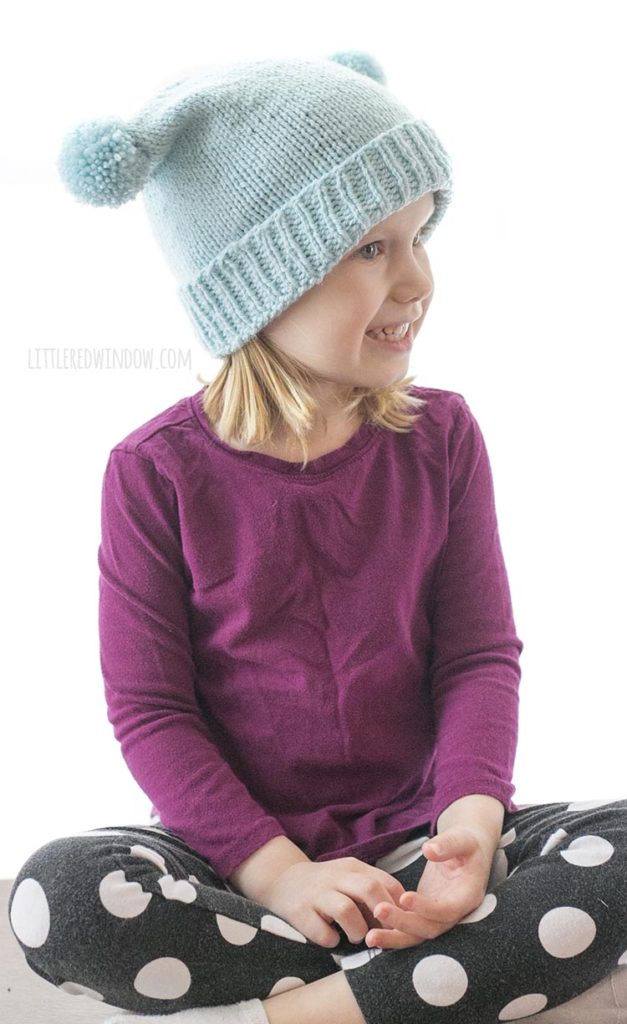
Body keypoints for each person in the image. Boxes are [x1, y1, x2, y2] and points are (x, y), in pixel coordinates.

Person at [8, 50, 627, 1024]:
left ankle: (321, 1006)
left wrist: (470, 825)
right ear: (262, 279)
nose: (419, 278)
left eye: (420, 235)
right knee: (63, 897)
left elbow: (476, 657)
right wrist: (280, 874)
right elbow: (152, 710)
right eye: (373, 249)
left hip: (422, 841)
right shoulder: (154, 473)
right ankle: (416, 982)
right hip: (242, 864)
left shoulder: (445, 436)